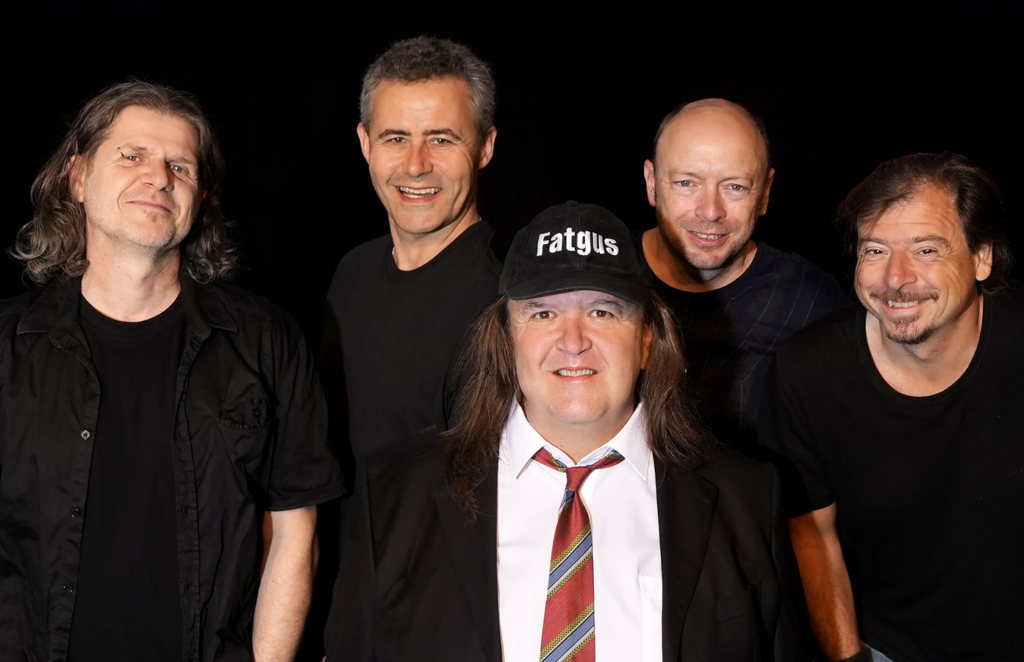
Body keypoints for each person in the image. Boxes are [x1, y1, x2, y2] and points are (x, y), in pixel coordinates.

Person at [325, 201, 808, 661]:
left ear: (646, 339)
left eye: (602, 311)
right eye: (543, 313)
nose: (573, 342)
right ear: (507, 338)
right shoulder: (393, 497)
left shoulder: (747, 498)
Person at [0, 81, 343, 661]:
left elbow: (294, 533)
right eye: (132, 156)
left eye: (179, 166)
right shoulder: (7, 345)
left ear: (200, 197)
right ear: (78, 178)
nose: (158, 178)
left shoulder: (266, 339)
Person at [758, 152, 1023, 662]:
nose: (896, 277)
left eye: (926, 249)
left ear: (982, 257)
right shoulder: (807, 372)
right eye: (875, 250)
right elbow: (812, 535)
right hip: (888, 648)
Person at [318, 35, 501, 482]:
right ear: (365, 143)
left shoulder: (507, 294)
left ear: (485, 146)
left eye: (441, 139)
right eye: (396, 138)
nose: (416, 165)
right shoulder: (352, 272)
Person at [640, 99, 848, 448]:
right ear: (652, 183)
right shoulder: (600, 279)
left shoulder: (815, 302)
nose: (710, 211)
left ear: (764, 192)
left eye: (735, 186)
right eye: (686, 183)